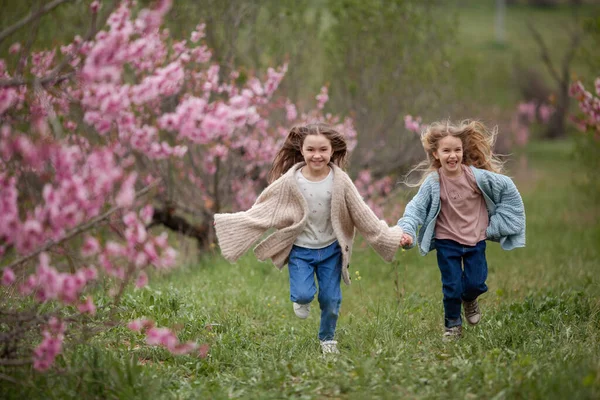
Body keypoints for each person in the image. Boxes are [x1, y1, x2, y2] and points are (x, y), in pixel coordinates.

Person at [214, 123, 404, 354]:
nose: (317, 155)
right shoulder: (290, 181)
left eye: (323, 150)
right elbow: (264, 211)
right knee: (304, 294)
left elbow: (363, 214)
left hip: (331, 250)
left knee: (330, 300)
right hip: (300, 251)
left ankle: (327, 339)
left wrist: (390, 237)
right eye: (311, 150)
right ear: (301, 150)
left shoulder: (340, 181)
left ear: (332, 151)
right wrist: (233, 226)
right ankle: (300, 298)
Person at [397, 120, 525, 340]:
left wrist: (499, 224)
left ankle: (470, 299)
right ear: (436, 154)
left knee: (475, 282)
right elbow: (416, 208)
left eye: (457, 150)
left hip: (476, 239)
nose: (452, 155)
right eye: (446, 151)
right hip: (447, 241)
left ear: (463, 152)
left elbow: (507, 189)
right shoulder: (433, 182)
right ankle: (452, 326)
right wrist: (406, 229)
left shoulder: (476, 177)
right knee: (452, 286)